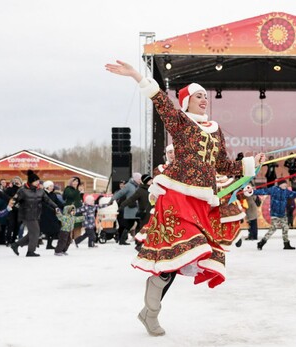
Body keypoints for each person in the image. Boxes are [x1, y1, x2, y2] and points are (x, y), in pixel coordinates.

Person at [105, 60, 264, 336]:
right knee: (179, 251)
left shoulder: (215, 130)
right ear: (187, 101)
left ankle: (148, 311)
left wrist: (251, 163)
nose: (204, 100)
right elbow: (159, 99)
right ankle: (151, 312)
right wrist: (135, 75)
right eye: (198, 96)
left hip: (202, 200)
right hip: (177, 195)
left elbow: (224, 165)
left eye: (206, 96)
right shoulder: (179, 121)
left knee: (182, 257)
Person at [10, 170, 60, 257]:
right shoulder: (22, 190)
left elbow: (48, 200)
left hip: (36, 214)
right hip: (26, 215)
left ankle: (16, 245)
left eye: (38, 181)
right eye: (36, 181)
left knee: (33, 233)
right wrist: (17, 207)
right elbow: (14, 200)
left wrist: (55, 207)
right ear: (31, 181)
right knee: (36, 232)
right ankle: (30, 251)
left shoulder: (40, 190)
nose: (38, 182)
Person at [254, 179, 296, 250]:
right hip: (274, 214)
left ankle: (286, 244)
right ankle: (262, 242)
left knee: (285, 228)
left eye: (286, 184)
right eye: (284, 184)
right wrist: (253, 192)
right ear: (280, 184)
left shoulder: (286, 192)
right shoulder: (273, 189)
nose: (285, 185)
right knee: (273, 229)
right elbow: (263, 191)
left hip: (283, 214)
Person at [118, 174, 153, 250]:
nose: (151, 181)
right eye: (150, 180)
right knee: (143, 229)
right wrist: (122, 205)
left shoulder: (153, 189)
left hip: (152, 212)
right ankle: (139, 244)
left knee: (152, 229)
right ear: (145, 181)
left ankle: (149, 245)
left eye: (151, 180)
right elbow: (131, 199)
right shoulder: (140, 191)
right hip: (144, 214)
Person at [109, 172, 142, 245]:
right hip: (130, 208)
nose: (140, 180)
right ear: (136, 179)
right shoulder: (129, 186)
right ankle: (125, 240)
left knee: (137, 224)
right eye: (139, 179)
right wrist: (112, 199)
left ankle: (135, 240)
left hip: (137, 208)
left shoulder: (138, 186)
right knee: (131, 224)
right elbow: (120, 193)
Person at [40, 180, 64, 249]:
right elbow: (43, 204)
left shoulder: (53, 194)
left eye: (52, 186)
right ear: (46, 186)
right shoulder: (43, 194)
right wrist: (52, 209)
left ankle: (49, 244)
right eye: (50, 186)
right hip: (44, 214)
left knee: (55, 229)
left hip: (53, 214)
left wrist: (65, 206)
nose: (52, 187)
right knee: (46, 230)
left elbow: (58, 203)